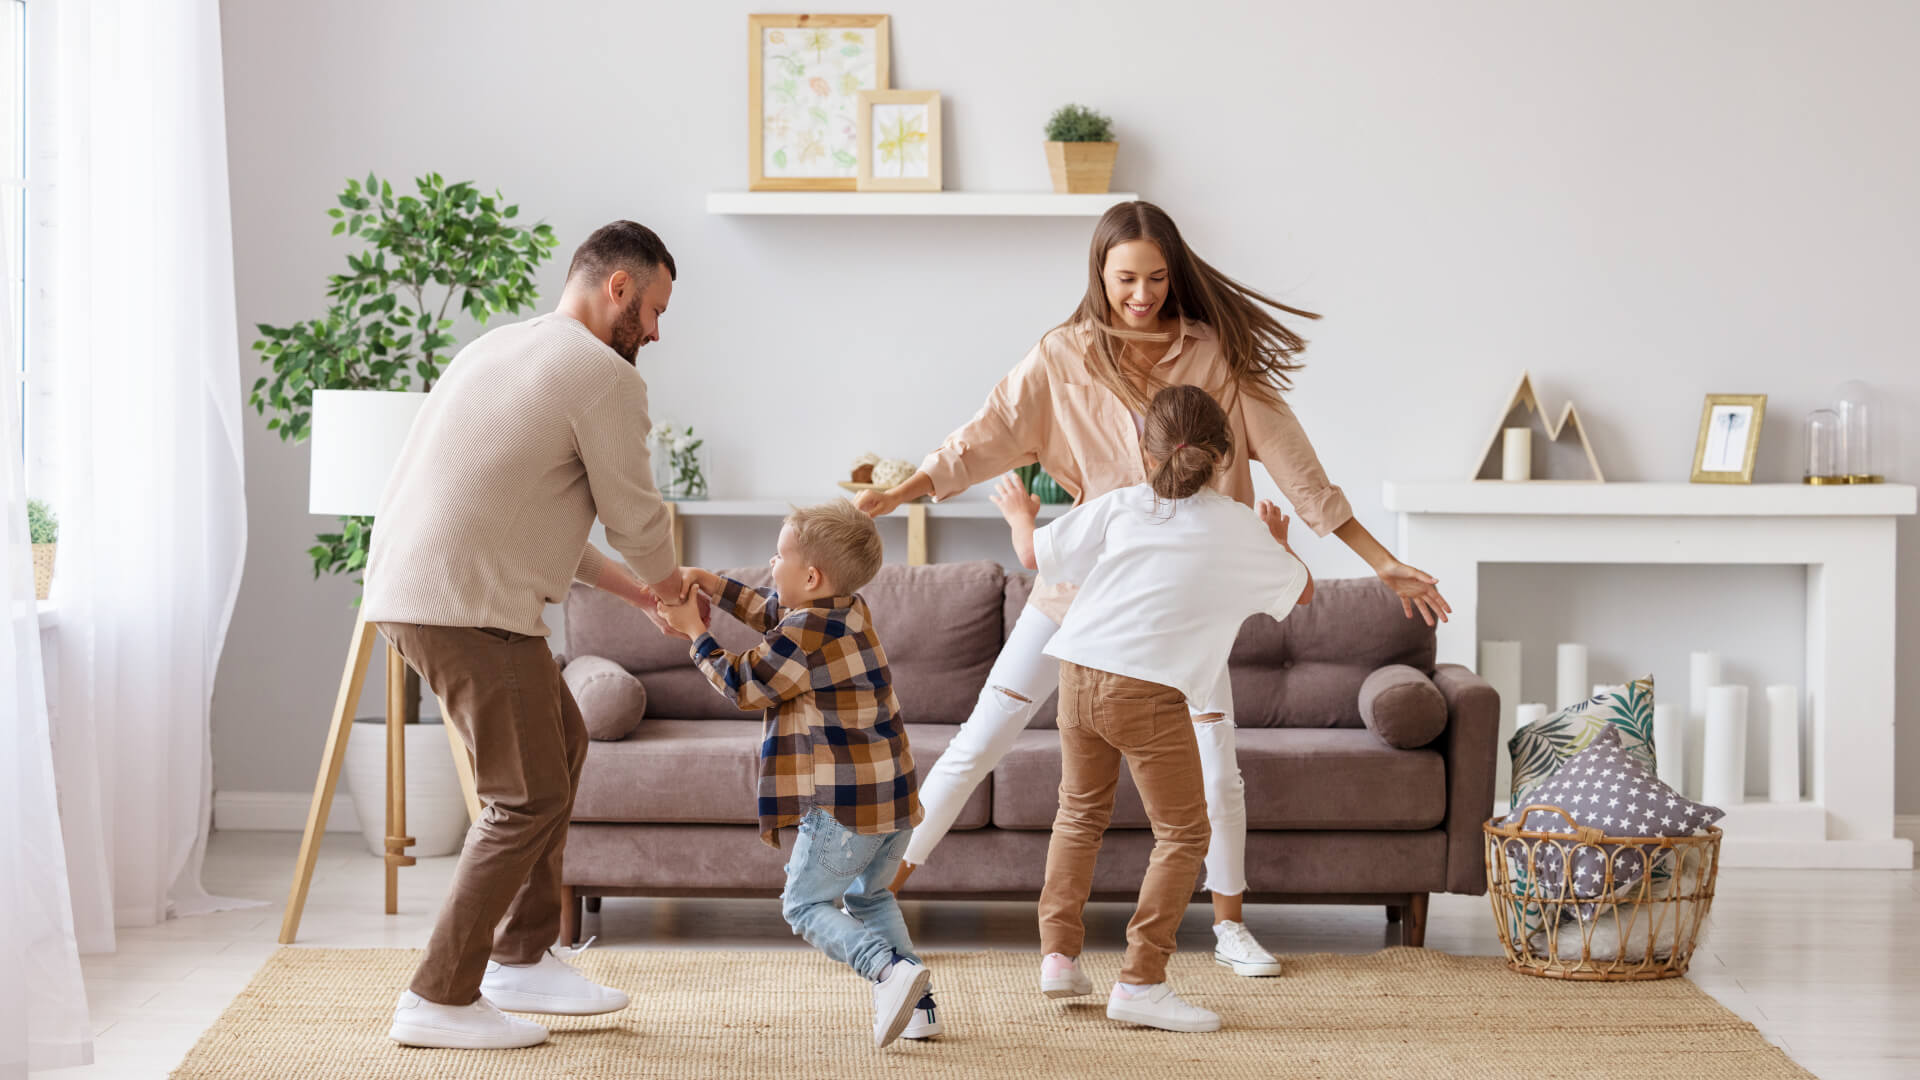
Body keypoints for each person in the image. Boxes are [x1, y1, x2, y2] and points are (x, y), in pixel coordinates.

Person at [856, 200, 1450, 975]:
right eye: (1127, 278)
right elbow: (988, 431)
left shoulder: (1216, 355)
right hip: (1081, 595)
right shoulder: (1062, 357)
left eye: (1158, 279)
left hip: (1180, 608)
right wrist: (909, 488)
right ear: (1099, 275)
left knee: (1216, 767)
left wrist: (1381, 559)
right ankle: (876, 902)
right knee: (982, 739)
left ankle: (1230, 926)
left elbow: (1298, 467)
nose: (1143, 295)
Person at [367, 221, 696, 1050]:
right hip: (468, 607)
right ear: (617, 288)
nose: (654, 332)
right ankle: (437, 997)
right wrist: (673, 591)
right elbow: (638, 521)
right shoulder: (601, 376)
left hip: (426, 591)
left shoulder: (496, 351)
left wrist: (640, 598)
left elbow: (533, 520)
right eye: (653, 309)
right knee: (525, 798)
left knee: (564, 738)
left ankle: (520, 956)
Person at [1025, 385, 1314, 1032]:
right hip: (1146, 691)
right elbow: (1302, 595)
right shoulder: (1238, 523)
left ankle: (1059, 956)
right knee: (1184, 834)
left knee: (1079, 813)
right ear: (1224, 457)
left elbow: (1036, 554)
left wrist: (1021, 514)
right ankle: (1140, 981)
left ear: (1143, 447)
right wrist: (1278, 539)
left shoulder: (1123, 506)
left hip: (1076, 672)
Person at [655, 501, 934, 1049]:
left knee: (804, 906)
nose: (770, 562)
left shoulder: (802, 635)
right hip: (894, 800)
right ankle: (919, 1008)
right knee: (872, 898)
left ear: (810, 576)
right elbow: (777, 615)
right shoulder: (849, 609)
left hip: (843, 807)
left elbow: (744, 684)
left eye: (778, 555)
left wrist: (695, 634)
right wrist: (715, 584)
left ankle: (885, 970)